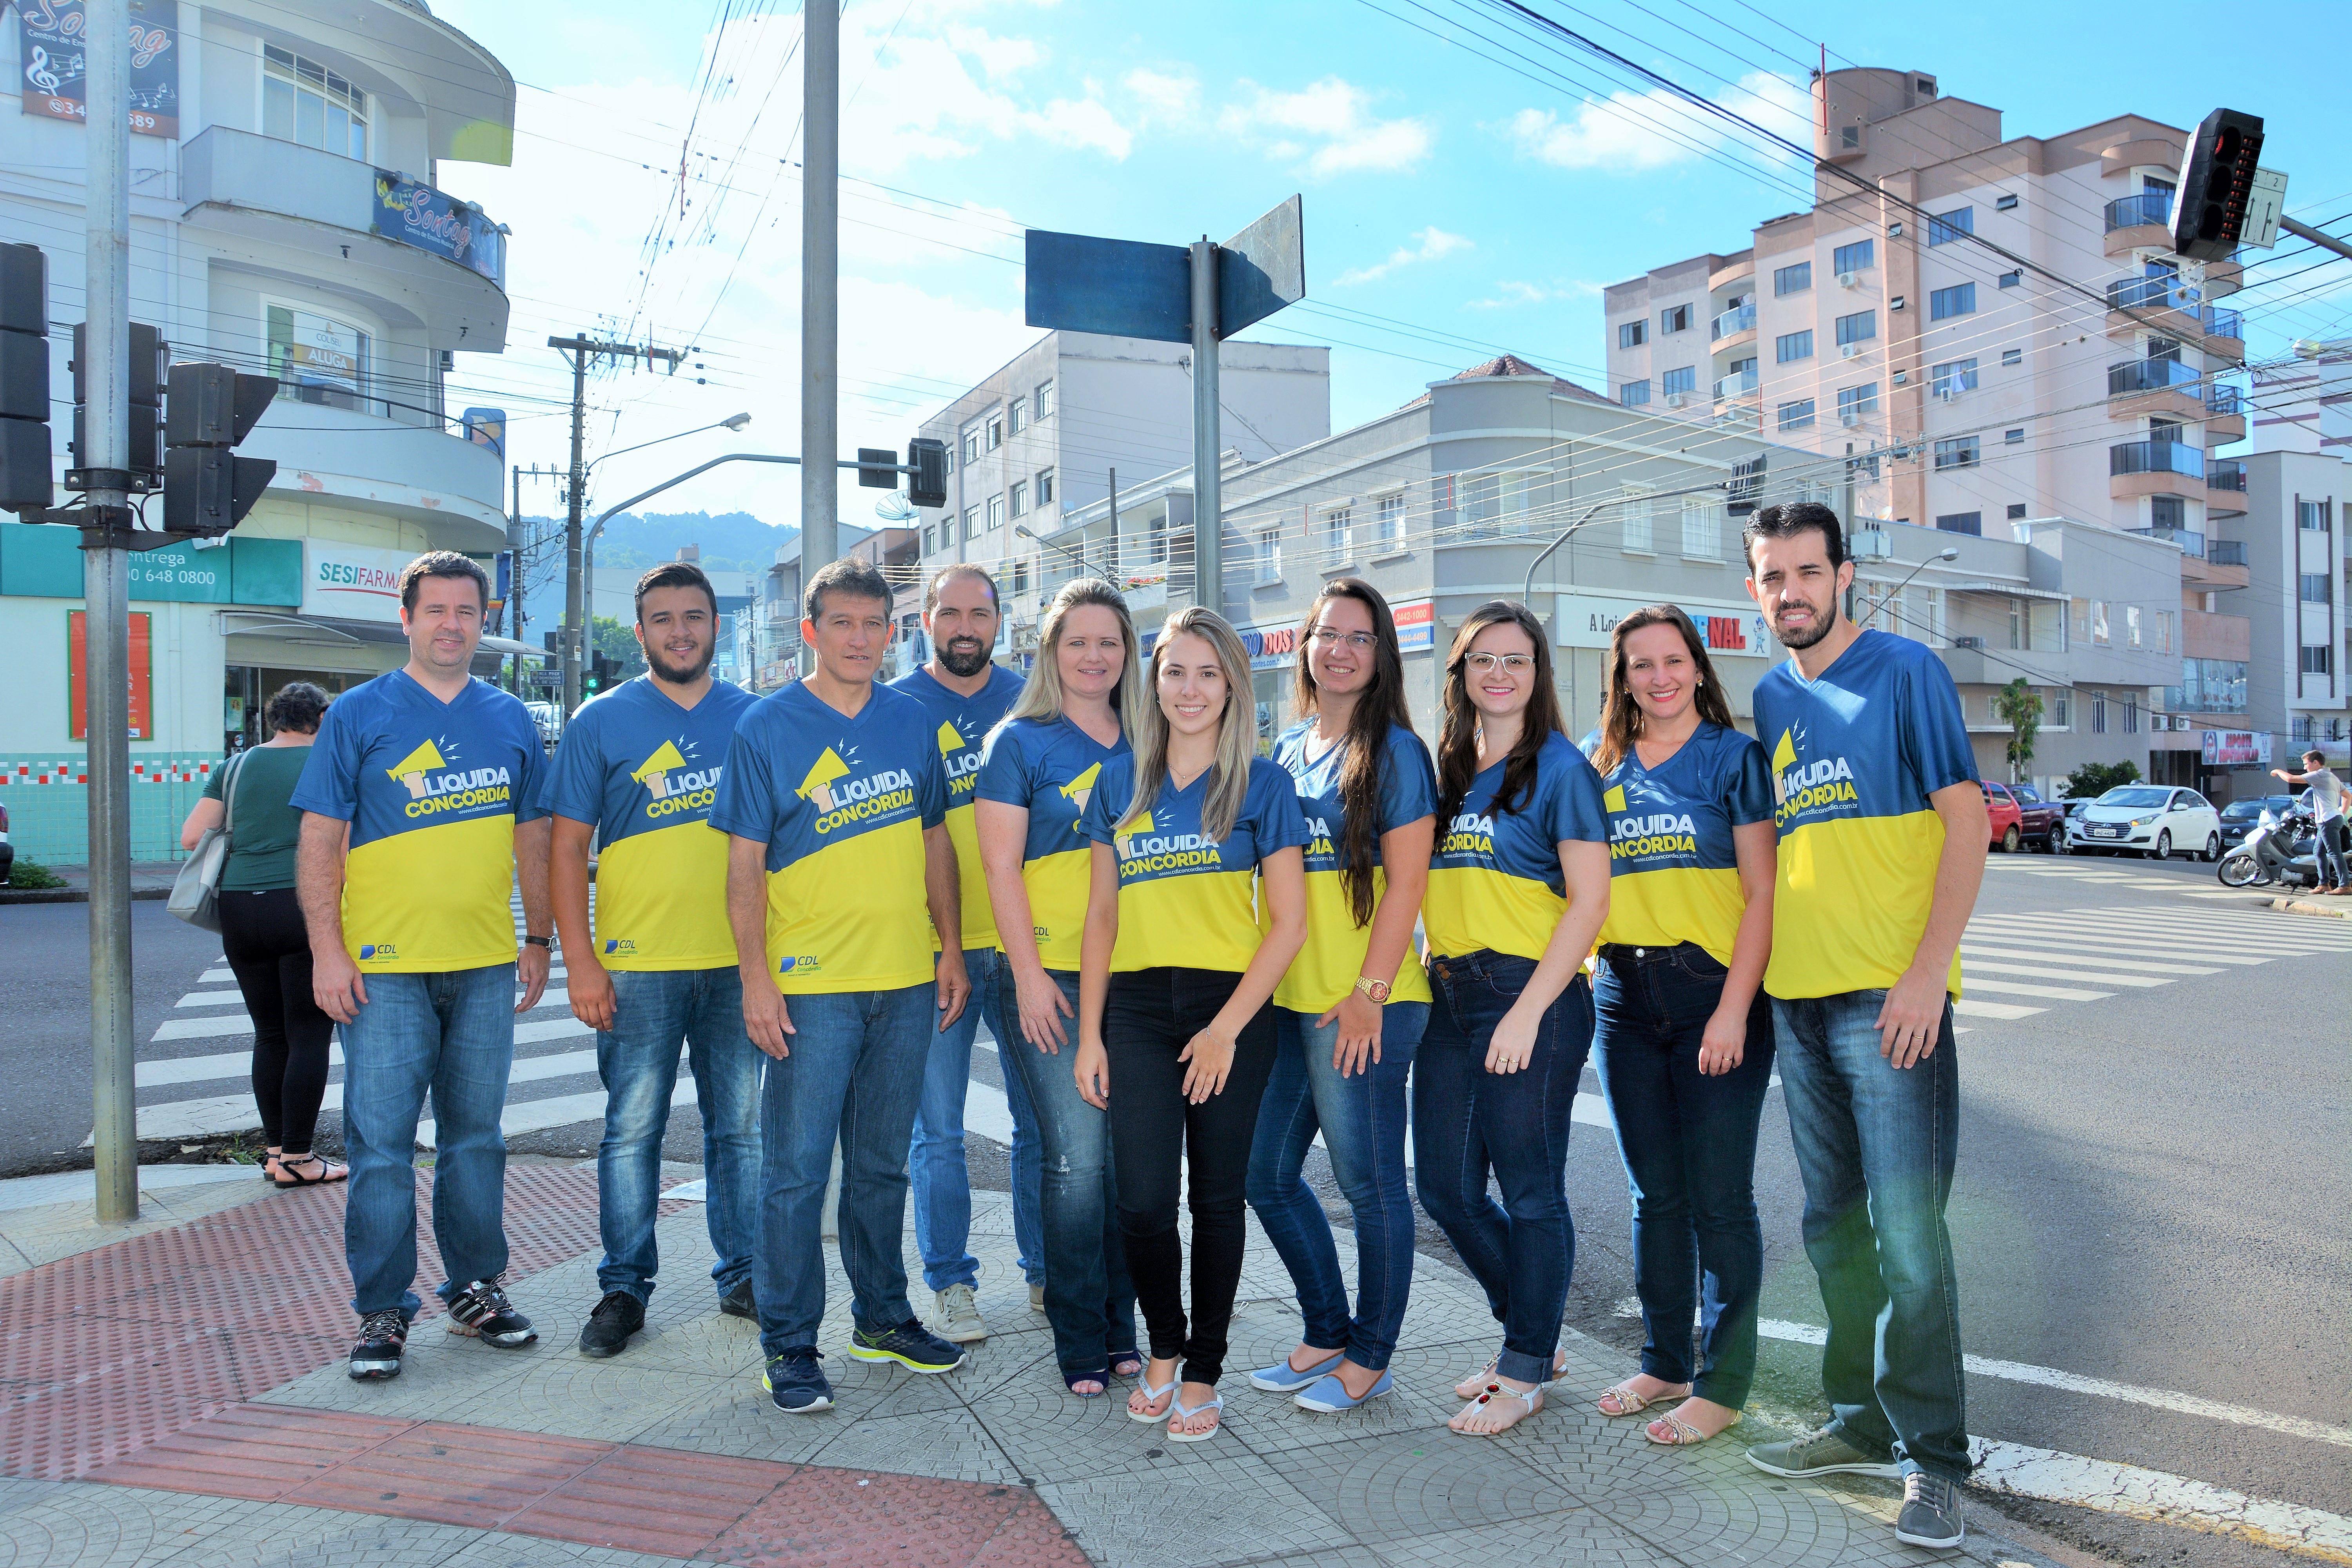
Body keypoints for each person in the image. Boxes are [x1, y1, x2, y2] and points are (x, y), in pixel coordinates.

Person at [1738, 501, 1986, 1553]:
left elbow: (1967, 821)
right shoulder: (1769, 697)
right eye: (1772, 576)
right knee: (1832, 1228)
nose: (1790, 591)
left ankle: (1935, 1462)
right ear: (1754, 589)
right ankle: (1855, 1424)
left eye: (1808, 571)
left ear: (1844, 575)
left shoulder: (1906, 671)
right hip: (1799, 999)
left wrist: (1927, 974)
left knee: (1911, 1240)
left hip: (1890, 1002)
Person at [711, 556, 972, 1414]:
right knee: (794, 1174)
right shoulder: (767, 726)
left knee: (881, 1168)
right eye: (842, 624)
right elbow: (743, 865)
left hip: (904, 980)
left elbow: (935, 840)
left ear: (891, 633)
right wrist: (756, 978)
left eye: (873, 625)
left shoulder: (911, 722)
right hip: (811, 986)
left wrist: (950, 947)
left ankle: (883, 1317)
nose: (859, 639)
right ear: (810, 632)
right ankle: (790, 1344)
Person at [292, 552, 554, 1380]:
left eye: (465, 610)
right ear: (405, 618)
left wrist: (539, 936)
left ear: (484, 620)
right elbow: (319, 839)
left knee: (476, 1140)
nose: (451, 624)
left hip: (484, 965)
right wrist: (328, 950)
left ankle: (476, 1289)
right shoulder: (358, 714)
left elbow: (534, 834)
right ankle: (383, 1308)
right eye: (434, 609)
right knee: (380, 1148)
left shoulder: (510, 718)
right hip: (385, 969)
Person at [1074, 607, 1308, 1442]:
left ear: (1233, 687)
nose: (1191, 688)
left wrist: (1225, 1030)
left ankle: (1203, 1370)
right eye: (1176, 671)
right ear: (1155, 683)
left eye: (1209, 673)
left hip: (1229, 1009)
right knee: (1142, 1201)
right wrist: (1091, 1034)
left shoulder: (1263, 785)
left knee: (1215, 1199)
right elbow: (1101, 918)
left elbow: (1289, 924)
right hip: (1136, 1009)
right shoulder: (1118, 784)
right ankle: (1164, 1349)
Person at [538, 561, 764, 1358]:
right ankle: (624, 1286)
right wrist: (580, 961)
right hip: (636, 966)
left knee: (741, 1131)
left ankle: (745, 1273)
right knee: (631, 1132)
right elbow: (567, 848)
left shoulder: (757, 718)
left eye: (694, 616)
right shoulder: (600, 721)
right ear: (640, 633)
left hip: (740, 966)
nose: (680, 631)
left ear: (716, 626)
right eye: (663, 619)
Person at [1581, 606, 1776, 1448]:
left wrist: (1734, 1008)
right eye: (1641, 665)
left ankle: (1723, 1384)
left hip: (1711, 993)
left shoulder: (1734, 759)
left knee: (1720, 1199)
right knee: (1654, 1194)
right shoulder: (1599, 765)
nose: (1659, 677)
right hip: (1622, 996)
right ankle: (1664, 1362)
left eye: (1672, 660)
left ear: (1698, 667)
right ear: (1622, 679)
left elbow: (1763, 893)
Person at [1416, 598, 1611, 1437]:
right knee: (1446, 1188)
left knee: (1531, 1191)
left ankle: (1526, 1366)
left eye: (1516, 659)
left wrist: (1529, 1012)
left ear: (1539, 673)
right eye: (1483, 658)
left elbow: (1591, 901)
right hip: (1450, 993)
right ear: (1460, 672)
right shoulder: (1447, 769)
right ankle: (1533, 1332)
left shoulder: (1561, 769)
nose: (1499, 672)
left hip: (1530, 993)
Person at [1244, 580, 1436, 1414]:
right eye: (1329, 634)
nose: (1342, 650)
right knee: (1265, 1175)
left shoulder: (1397, 752)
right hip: (1294, 1000)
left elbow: (1408, 884)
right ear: (1305, 646)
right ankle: (1327, 1331)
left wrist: (1370, 993)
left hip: (1366, 1002)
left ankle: (1371, 1355)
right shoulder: (1287, 748)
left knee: (1370, 1186)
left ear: (1381, 653)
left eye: (1361, 637)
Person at [973, 577, 1144, 1396]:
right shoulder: (1018, 742)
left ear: (1128, 652)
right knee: (1076, 1160)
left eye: (1109, 641)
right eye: (1078, 641)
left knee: (1124, 1163)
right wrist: (1030, 977)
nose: (1094, 655)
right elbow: (1000, 866)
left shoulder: (1150, 739)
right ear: (1051, 651)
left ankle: (1123, 1326)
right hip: (1054, 976)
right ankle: (1081, 1336)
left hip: (1138, 973)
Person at [889, 564, 1042, 1343]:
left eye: (978, 613)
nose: (964, 627)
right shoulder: (895, 709)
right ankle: (951, 1283)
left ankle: (1047, 1272)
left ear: (999, 621)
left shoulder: (1034, 699)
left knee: (1040, 1124)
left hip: (1028, 948)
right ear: (925, 621)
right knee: (938, 1133)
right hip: (933, 954)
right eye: (949, 613)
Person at [180, 682, 345, 1188]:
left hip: (239, 908)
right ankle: (299, 1157)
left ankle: (276, 1152)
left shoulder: (235, 767)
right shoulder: (328, 763)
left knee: (270, 1033)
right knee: (308, 1032)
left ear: (276, 718)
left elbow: (191, 837)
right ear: (322, 717)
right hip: (300, 903)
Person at [2271, 751, 2347, 893]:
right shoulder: (2331, 776)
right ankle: (2324, 884)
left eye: (2306, 764)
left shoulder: (2319, 775)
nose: (2305, 768)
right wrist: (2341, 812)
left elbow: (2291, 779)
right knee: (2318, 852)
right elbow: (2348, 796)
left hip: (2328, 820)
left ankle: (2345, 886)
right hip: (2330, 819)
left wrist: (2277, 771)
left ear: (2316, 763)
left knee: (2335, 853)